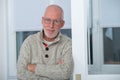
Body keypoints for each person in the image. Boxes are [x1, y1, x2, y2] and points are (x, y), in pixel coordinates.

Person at [17, 4, 74, 80]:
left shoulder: (68, 44)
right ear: (42, 21)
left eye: (56, 21)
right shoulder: (29, 42)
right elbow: (20, 74)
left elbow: (65, 73)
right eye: (48, 20)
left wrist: (34, 67)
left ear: (62, 24)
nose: (51, 25)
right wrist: (55, 72)